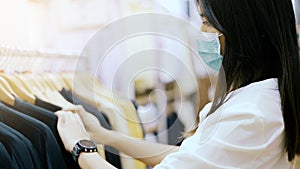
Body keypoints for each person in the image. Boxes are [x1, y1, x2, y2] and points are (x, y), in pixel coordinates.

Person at [56, 0, 300, 168]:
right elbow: (190, 159)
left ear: (241, 31)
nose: (201, 32)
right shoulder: (258, 97)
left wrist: (81, 148)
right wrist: (105, 136)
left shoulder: (251, 115)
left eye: (206, 22)